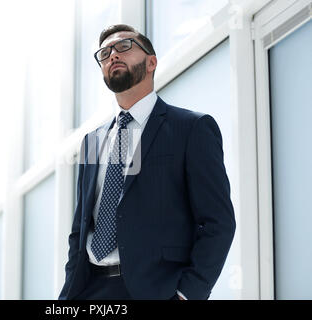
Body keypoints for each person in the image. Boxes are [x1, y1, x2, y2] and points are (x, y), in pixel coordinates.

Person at [59, 24, 236, 300]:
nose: (113, 55)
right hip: (90, 290)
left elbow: (218, 222)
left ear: (151, 62)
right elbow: (80, 229)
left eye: (124, 46)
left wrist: (187, 293)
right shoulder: (92, 141)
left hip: (156, 290)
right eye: (104, 53)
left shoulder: (191, 129)